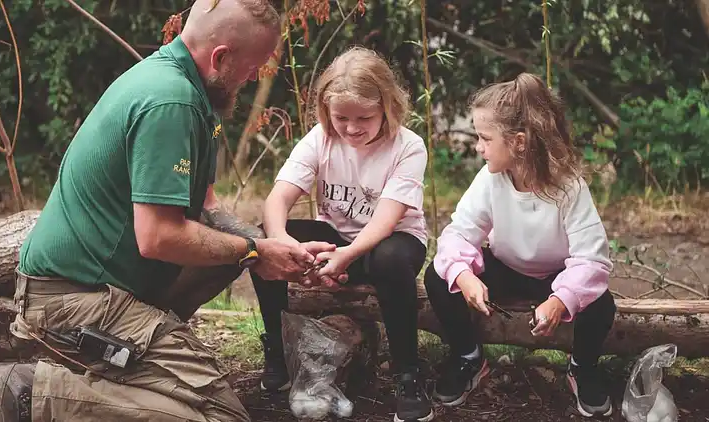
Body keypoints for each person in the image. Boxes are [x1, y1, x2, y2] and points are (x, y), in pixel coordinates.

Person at [0, 1, 338, 421]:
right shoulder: (172, 102)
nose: (254, 77)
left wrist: (270, 247)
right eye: (253, 66)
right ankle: (29, 393)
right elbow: (158, 236)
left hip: (103, 287)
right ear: (220, 57)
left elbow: (206, 205)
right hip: (72, 300)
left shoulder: (197, 93)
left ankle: (133, 362)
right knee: (223, 416)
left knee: (235, 254)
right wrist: (254, 252)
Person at [249, 47, 434, 422]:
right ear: (325, 111)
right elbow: (278, 197)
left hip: (390, 241)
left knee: (390, 259)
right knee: (260, 241)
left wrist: (346, 257)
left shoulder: (408, 146)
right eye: (341, 118)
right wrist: (281, 241)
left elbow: (386, 219)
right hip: (336, 238)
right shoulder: (320, 138)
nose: (351, 128)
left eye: (364, 117)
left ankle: (407, 373)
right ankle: (278, 352)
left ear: (387, 105)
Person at [423, 72, 616, 418]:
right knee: (438, 277)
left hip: (555, 277)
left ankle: (582, 366)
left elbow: (592, 259)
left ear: (519, 142)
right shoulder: (490, 179)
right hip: (507, 268)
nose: (478, 147)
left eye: (485, 138)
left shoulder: (568, 187)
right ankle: (468, 356)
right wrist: (463, 275)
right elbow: (459, 233)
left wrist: (561, 300)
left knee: (601, 303)